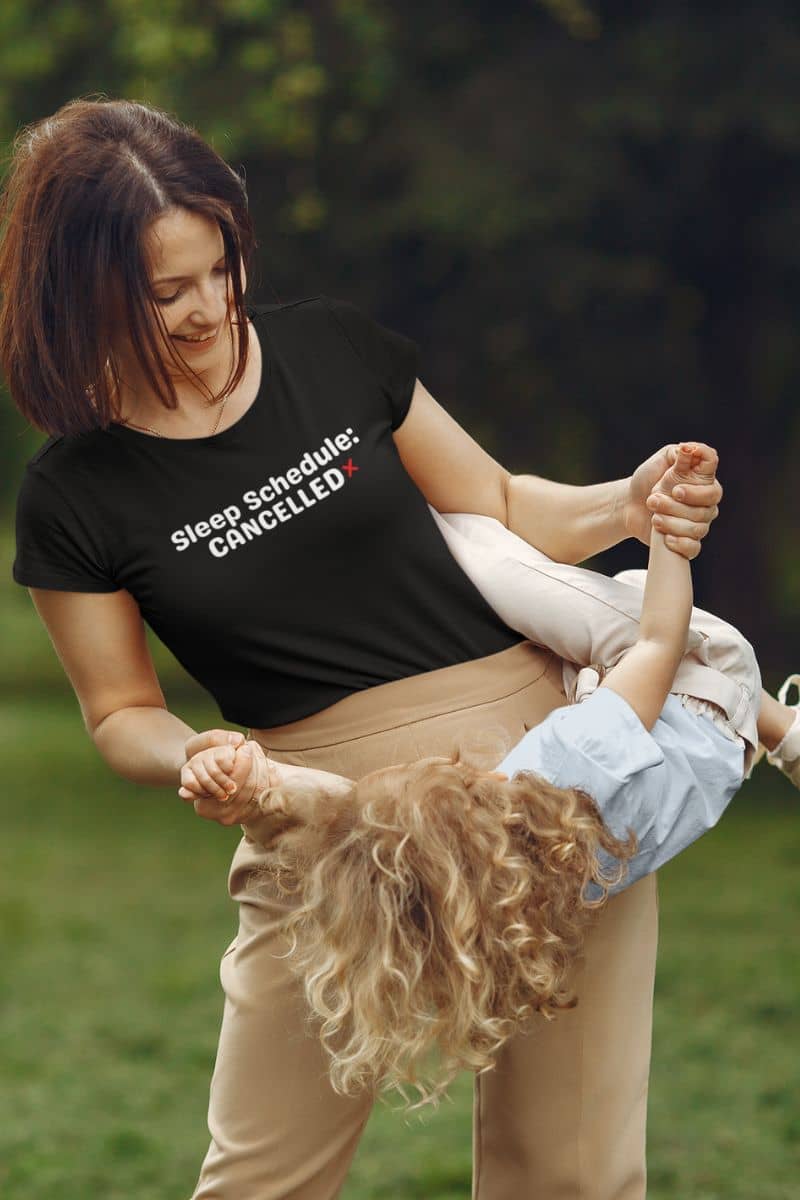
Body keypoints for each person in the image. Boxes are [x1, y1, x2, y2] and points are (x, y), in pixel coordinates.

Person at [4, 97, 726, 1200]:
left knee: (571, 1176)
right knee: (259, 1180)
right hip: (319, 818)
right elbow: (116, 714)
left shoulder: (330, 349)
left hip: (551, 785)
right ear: (83, 293)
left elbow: (496, 500)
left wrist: (623, 503)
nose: (212, 308)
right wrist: (194, 753)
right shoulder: (74, 493)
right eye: (168, 293)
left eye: (222, 268)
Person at [183, 444, 798, 1111]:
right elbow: (657, 642)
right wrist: (671, 535)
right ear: (472, 803)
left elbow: (351, 816)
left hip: (700, 774)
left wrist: (255, 781)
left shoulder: (483, 898)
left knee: (554, 641)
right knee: (483, 547)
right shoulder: (561, 778)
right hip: (708, 687)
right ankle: (781, 727)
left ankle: (784, 735)